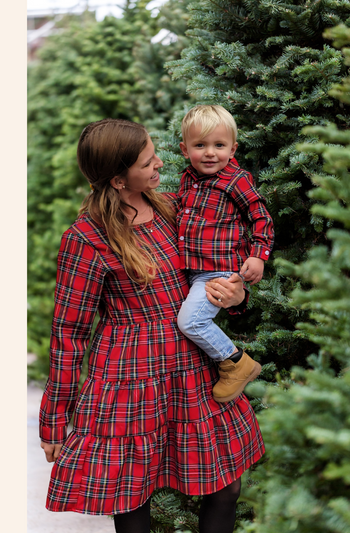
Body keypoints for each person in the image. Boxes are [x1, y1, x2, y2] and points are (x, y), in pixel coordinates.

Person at [39, 118, 265, 533]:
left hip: (190, 366)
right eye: (147, 161)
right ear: (118, 180)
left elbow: (209, 273)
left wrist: (236, 294)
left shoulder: (171, 207)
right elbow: (68, 335)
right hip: (131, 375)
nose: (161, 162)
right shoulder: (87, 238)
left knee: (225, 487)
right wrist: (55, 419)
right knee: (131, 496)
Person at [176, 105, 275, 403]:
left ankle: (235, 362)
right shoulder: (188, 178)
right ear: (184, 149)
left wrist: (258, 255)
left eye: (219, 145)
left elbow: (261, 217)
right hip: (195, 270)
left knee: (191, 323)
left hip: (219, 270)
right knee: (188, 320)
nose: (210, 153)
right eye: (200, 145)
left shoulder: (236, 179)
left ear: (232, 149)